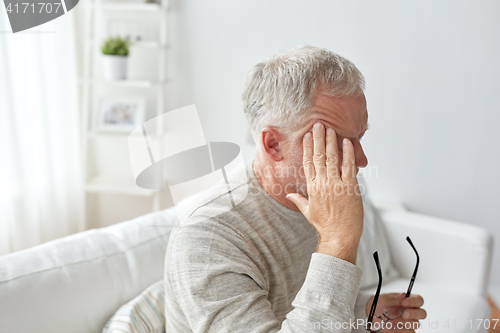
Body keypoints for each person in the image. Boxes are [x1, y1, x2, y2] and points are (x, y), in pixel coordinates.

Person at [164, 45, 426, 332]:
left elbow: (298, 304)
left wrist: (364, 312)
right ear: (273, 144)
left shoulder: (314, 194)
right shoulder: (208, 238)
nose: (360, 160)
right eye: (335, 141)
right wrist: (338, 242)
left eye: (360, 137)